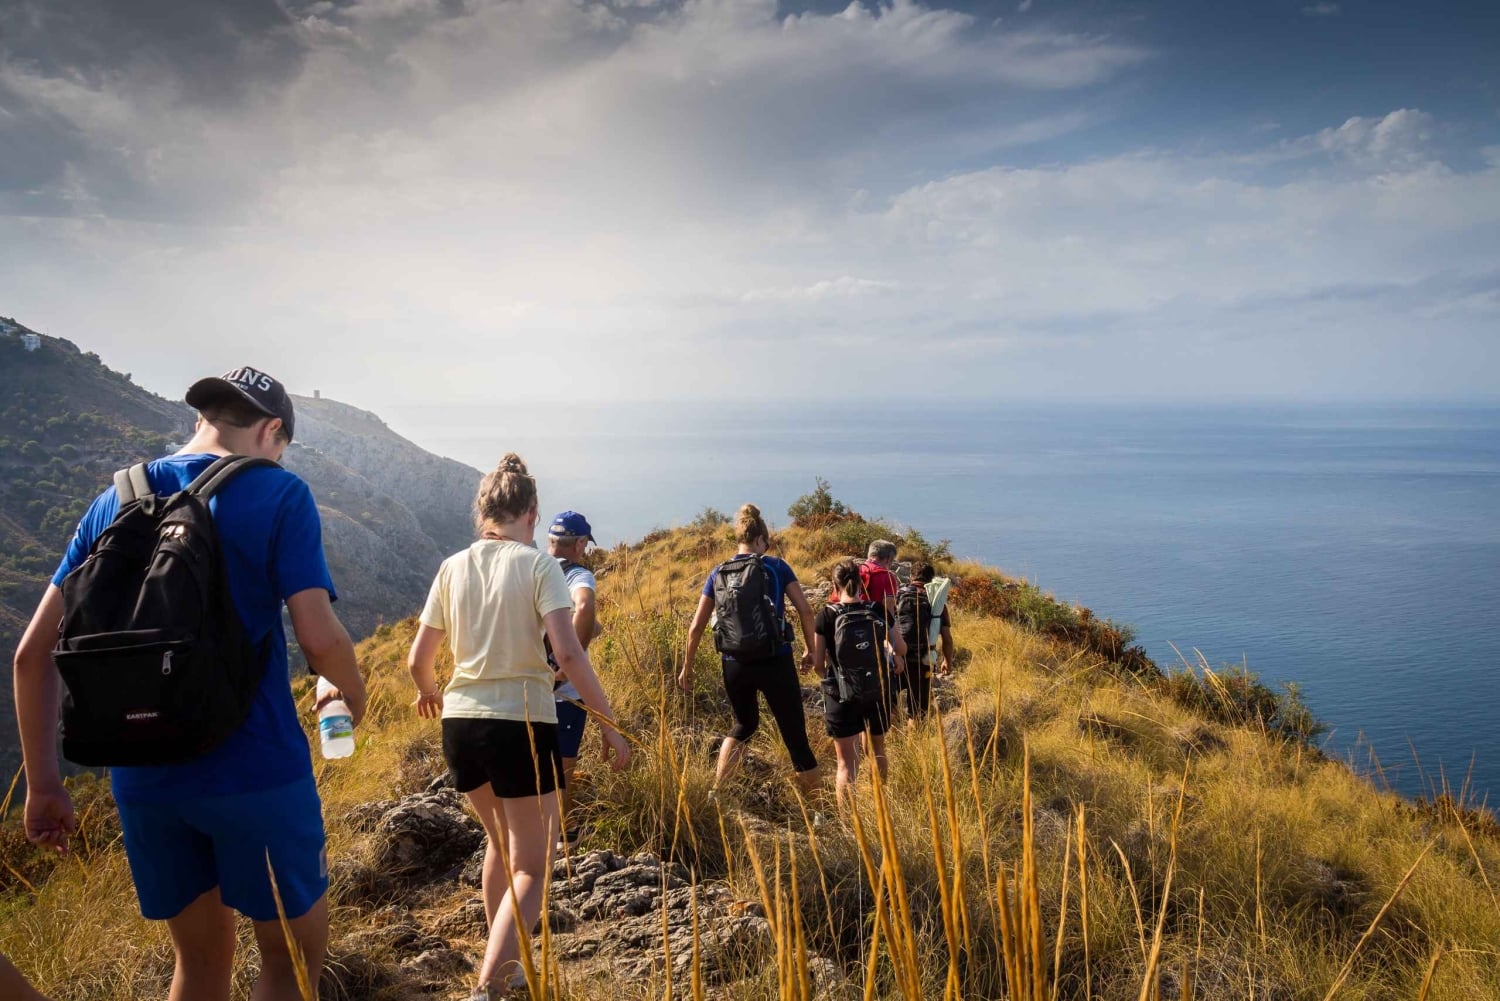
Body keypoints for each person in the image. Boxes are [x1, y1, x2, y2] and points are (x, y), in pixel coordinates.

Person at [13, 366, 367, 1000]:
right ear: (273, 432)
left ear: (201, 419)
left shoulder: (113, 500)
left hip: (143, 779)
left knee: (200, 965)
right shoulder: (280, 494)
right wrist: (352, 703)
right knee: (289, 963)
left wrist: (44, 786)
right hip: (255, 770)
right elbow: (320, 637)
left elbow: (31, 656)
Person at [407, 454, 630, 1001]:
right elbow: (571, 653)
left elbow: (418, 658)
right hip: (521, 723)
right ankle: (490, 988)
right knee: (534, 865)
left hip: (459, 723)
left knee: (501, 847)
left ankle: (505, 964)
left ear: (483, 512)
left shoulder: (452, 566)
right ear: (531, 514)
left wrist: (429, 692)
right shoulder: (538, 567)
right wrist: (608, 725)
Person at [678, 504, 820, 801]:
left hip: (734, 662)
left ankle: (718, 792)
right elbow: (805, 610)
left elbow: (696, 627)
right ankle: (819, 812)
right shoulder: (777, 567)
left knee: (744, 724)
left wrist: (687, 667)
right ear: (760, 540)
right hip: (775, 659)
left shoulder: (718, 572)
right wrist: (811, 650)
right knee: (795, 737)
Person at [813, 558, 907, 806]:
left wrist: (829, 677)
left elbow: (818, 663)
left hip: (842, 695)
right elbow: (901, 647)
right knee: (878, 749)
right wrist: (892, 654)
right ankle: (880, 802)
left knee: (846, 765)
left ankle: (849, 828)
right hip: (877, 691)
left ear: (835, 585)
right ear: (861, 581)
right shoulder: (877, 609)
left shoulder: (826, 615)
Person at [546, 510, 600, 852]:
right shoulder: (579, 574)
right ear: (579, 543)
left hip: (527, 684)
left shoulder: (533, 569)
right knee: (563, 765)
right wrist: (572, 660)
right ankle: (562, 836)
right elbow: (583, 605)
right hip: (563, 690)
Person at [893, 562, 955, 721]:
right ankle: (914, 740)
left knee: (890, 701)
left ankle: (891, 737)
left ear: (912, 577)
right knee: (918, 710)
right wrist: (947, 661)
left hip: (897, 657)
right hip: (924, 660)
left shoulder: (897, 595)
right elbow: (947, 639)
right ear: (931, 580)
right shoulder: (937, 603)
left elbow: (886, 626)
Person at [860, 539, 900, 623]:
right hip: (874, 628)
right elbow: (888, 612)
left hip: (847, 627)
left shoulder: (854, 570)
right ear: (888, 559)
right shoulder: (887, 577)